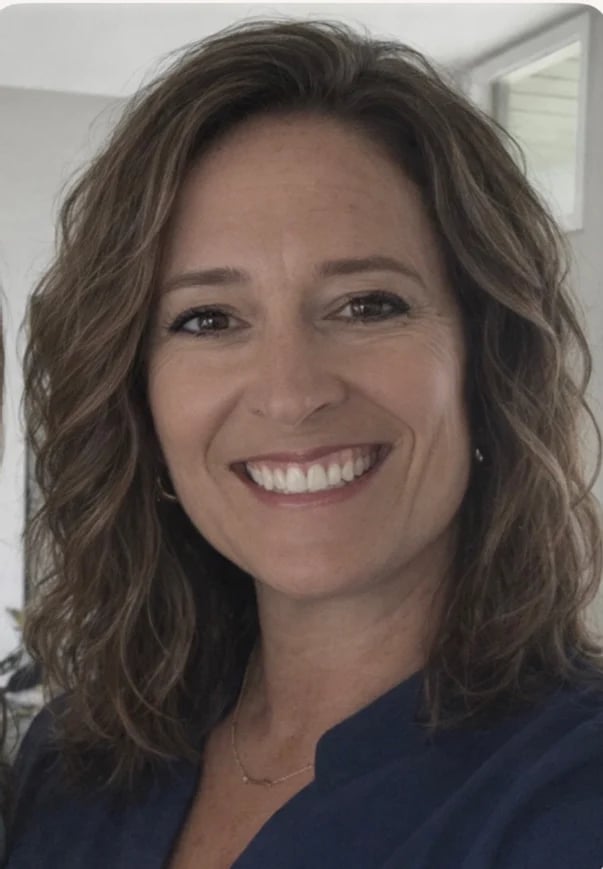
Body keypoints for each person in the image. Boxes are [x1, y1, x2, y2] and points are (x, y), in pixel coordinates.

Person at [5, 18, 603, 869]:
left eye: (368, 304)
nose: (291, 394)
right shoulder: (74, 761)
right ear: (137, 396)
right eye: (208, 319)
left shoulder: (574, 801)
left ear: (486, 356)